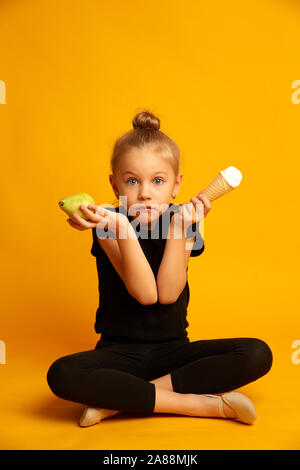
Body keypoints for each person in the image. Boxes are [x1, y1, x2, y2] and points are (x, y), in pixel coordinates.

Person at [47, 110, 273, 427]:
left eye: (157, 181)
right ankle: (201, 406)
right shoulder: (108, 224)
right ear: (114, 185)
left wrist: (180, 228)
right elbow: (145, 294)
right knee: (62, 374)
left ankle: (119, 403)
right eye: (131, 181)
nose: (145, 192)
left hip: (174, 355)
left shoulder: (186, 220)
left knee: (256, 353)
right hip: (118, 357)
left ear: (176, 184)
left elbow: (166, 294)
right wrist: (120, 229)